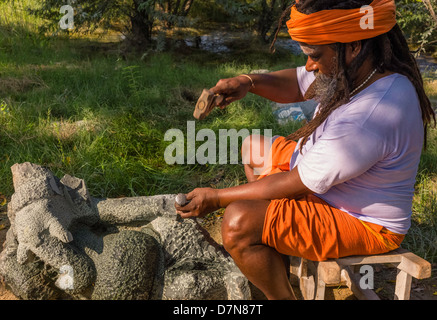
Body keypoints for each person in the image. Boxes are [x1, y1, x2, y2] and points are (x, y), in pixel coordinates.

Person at [175, 0, 436, 300]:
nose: (310, 65)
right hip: (323, 185)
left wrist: (217, 197)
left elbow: (294, 181)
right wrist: (248, 82)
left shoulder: (372, 113)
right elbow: (298, 84)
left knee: (236, 221)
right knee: (252, 148)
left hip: (360, 221)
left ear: (354, 45)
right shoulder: (360, 68)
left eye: (315, 56)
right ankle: (270, 247)